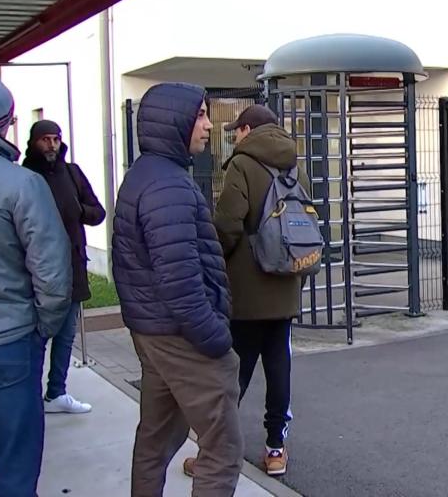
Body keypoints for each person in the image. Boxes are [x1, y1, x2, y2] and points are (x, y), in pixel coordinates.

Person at [112, 82, 243, 496]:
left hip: (153, 331)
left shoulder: (146, 176)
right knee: (222, 448)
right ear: (175, 122)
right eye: (201, 115)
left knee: (157, 437)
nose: (208, 125)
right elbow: (179, 277)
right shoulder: (167, 186)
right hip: (181, 335)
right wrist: (215, 337)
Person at [0, 75, 72, 496]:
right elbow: (53, 276)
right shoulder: (21, 183)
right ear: (5, 123)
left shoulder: (20, 183)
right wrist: (40, 327)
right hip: (8, 338)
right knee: (16, 460)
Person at [184, 105, 300, 477]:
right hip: (285, 282)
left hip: (249, 290)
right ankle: (276, 450)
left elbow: (228, 224)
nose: (234, 136)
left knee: (235, 374)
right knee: (279, 366)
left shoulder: (242, 164)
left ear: (248, 129)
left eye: (236, 130)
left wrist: (212, 260)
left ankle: (215, 453)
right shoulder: (294, 163)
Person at [22, 119, 106, 413]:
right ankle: (28, 398)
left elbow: (98, 212)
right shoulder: (24, 177)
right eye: (45, 139)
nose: (52, 145)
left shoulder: (72, 173)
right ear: (34, 142)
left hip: (72, 267)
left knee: (66, 333)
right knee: (36, 337)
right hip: (34, 272)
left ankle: (56, 392)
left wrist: (78, 210)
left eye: (56, 139)